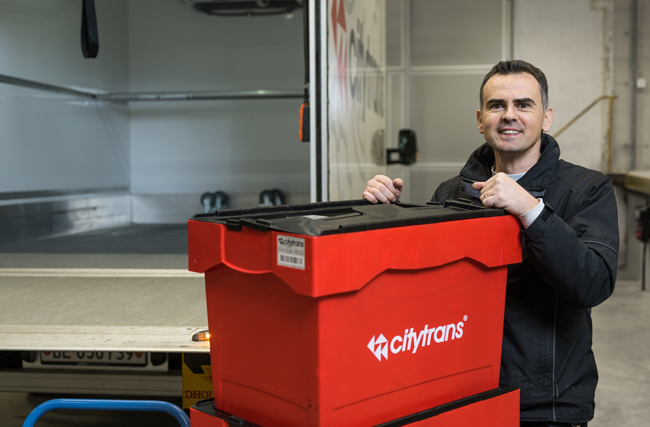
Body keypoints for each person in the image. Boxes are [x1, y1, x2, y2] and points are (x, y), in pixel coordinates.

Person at [363, 60, 618, 427]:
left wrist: (531, 210)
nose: (509, 116)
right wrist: (384, 219)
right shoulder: (451, 192)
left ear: (545, 118)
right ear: (480, 119)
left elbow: (592, 282)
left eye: (523, 105)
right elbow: (423, 291)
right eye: (497, 105)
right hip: (458, 393)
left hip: (543, 405)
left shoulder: (587, 189)